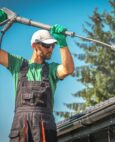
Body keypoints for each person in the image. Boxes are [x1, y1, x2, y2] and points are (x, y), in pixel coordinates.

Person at [0, 10, 74, 142]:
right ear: (35, 46)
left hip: (45, 126)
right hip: (20, 126)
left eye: (53, 45)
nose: (51, 49)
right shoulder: (17, 64)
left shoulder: (51, 69)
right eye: (47, 45)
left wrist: (63, 43)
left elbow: (68, 69)